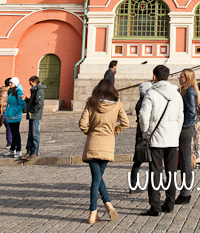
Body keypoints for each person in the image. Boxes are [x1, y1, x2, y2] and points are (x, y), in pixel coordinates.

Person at [79, 78, 129, 224]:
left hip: (92, 143)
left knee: (96, 177)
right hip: (108, 144)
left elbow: (82, 123)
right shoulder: (117, 104)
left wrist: (90, 132)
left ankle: (96, 211)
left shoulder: (91, 102)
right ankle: (103, 207)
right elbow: (126, 123)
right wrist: (115, 131)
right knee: (98, 177)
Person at [140, 65, 184, 217]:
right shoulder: (176, 94)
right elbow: (180, 117)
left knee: (155, 173)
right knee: (171, 173)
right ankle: (170, 204)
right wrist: (175, 133)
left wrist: (146, 132)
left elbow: (143, 116)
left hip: (156, 139)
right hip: (172, 139)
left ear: (154, 77)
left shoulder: (151, 93)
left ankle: (155, 206)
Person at [176, 69, 199, 205]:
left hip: (186, 128)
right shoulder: (186, 90)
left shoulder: (189, 91)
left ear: (188, 78)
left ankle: (186, 192)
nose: (179, 78)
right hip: (185, 128)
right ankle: (184, 191)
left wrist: (182, 126)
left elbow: (191, 112)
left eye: (182, 76)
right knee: (183, 160)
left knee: (185, 160)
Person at [129, 82, 152, 193]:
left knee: (140, 160)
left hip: (140, 131)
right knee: (145, 159)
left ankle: (134, 184)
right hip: (144, 132)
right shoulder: (145, 102)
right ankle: (134, 185)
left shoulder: (140, 101)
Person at [21, 75, 46, 160]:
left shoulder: (39, 91)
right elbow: (32, 102)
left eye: (30, 82)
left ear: (35, 82)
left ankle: (34, 152)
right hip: (32, 115)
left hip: (35, 115)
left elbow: (39, 104)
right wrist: (26, 99)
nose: (29, 84)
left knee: (35, 134)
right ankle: (29, 151)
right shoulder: (34, 90)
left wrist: (31, 110)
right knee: (30, 134)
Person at [4, 77, 24, 158]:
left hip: (16, 116)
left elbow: (22, 104)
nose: (9, 84)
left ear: (15, 83)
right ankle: (12, 149)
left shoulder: (19, 92)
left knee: (16, 133)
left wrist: (15, 112)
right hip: (10, 115)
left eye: (11, 83)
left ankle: (18, 149)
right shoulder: (10, 91)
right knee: (13, 133)